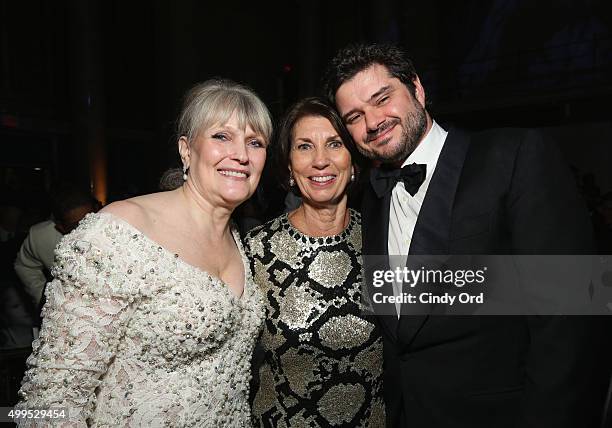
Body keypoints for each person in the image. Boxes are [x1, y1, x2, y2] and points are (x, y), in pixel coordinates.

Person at [322, 43, 610, 428]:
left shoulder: (513, 155)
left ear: (417, 90)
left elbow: (572, 317)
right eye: (355, 116)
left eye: (382, 98)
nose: (373, 122)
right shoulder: (373, 199)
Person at [16, 78, 272, 426]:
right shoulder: (120, 230)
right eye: (221, 136)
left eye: (254, 142)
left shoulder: (239, 240)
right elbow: (53, 393)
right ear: (186, 149)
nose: (241, 155)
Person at [245, 97, 385, 427]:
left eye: (334, 144)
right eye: (305, 147)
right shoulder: (257, 250)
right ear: (290, 168)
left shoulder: (383, 238)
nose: (320, 161)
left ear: (353, 163)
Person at [14, 183, 98, 310]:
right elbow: (25, 266)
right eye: (77, 225)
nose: (88, 228)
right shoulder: (41, 237)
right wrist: (44, 298)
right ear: (60, 227)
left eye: (91, 218)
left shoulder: (116, 227)